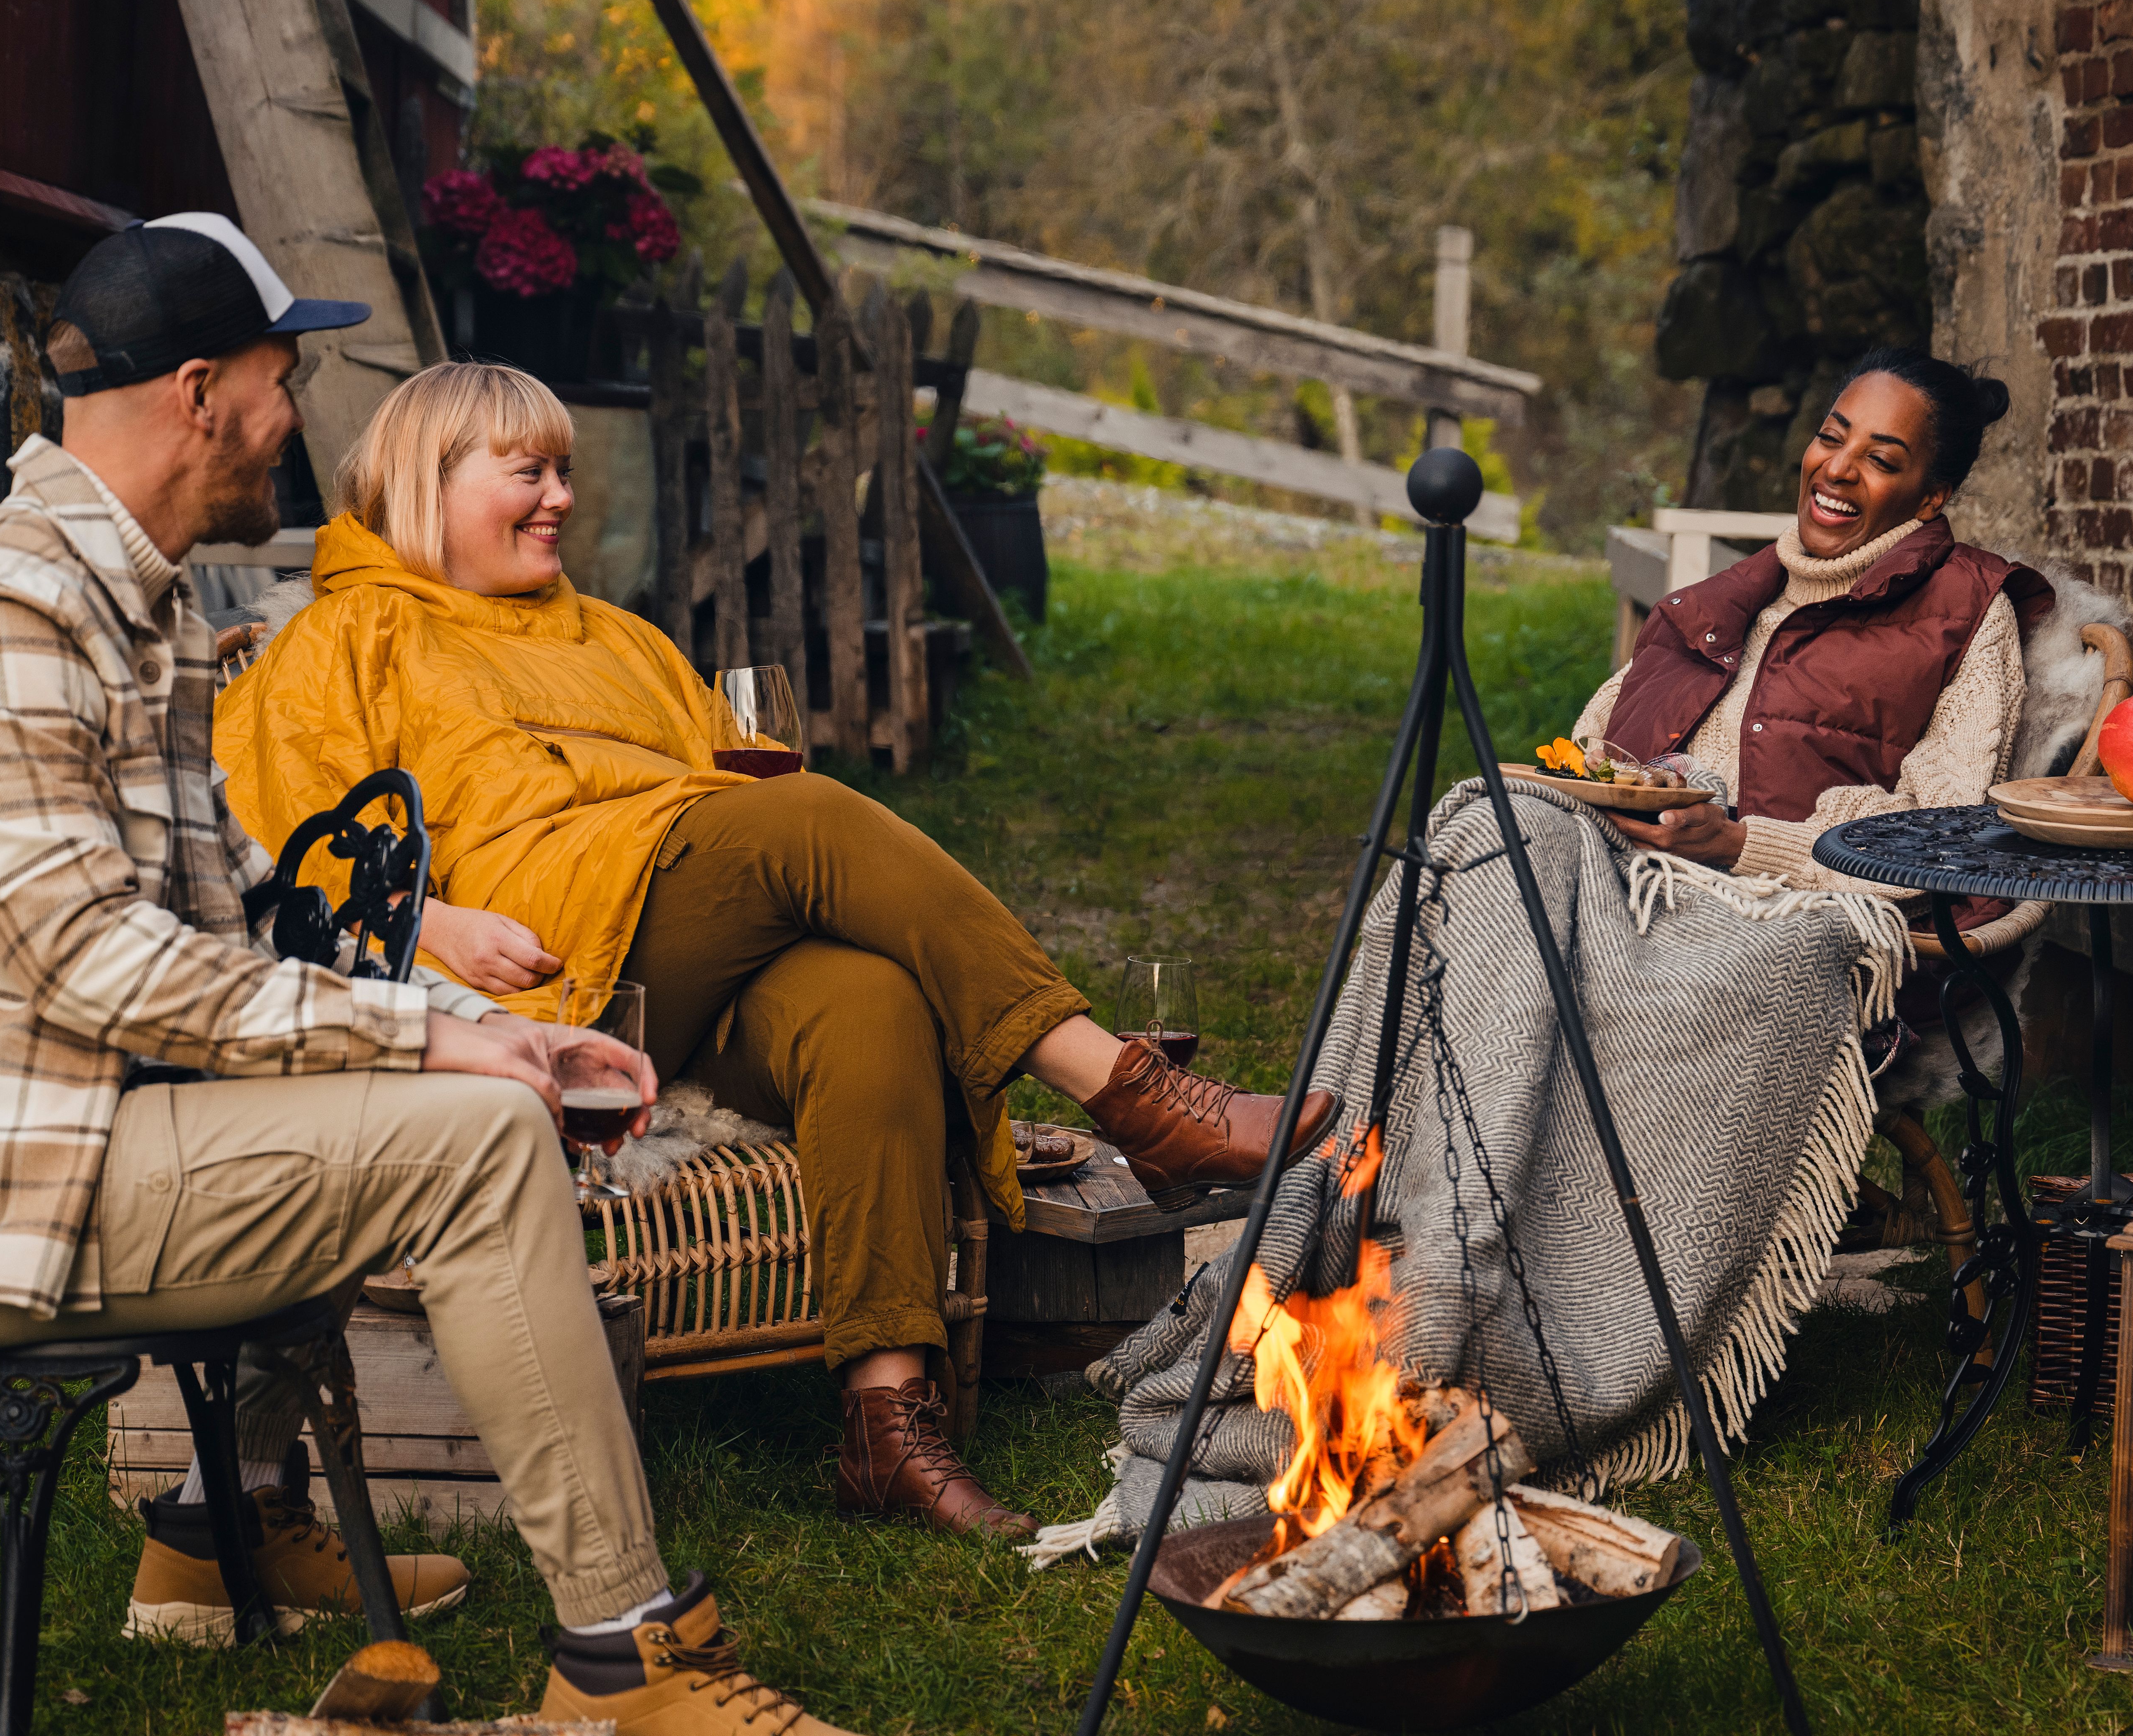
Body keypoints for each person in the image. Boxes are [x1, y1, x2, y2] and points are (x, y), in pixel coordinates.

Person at [0, 215, 910, 1736]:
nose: (299, 415)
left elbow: (258, 918)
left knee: (453, 1099)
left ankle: (198, 1542)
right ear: (197, 394)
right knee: (468, 1147)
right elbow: (94, 961)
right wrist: (445, 1049)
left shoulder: (135, 610)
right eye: (280, 377)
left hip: (81, 1142)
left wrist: (492, 1023)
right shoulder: (1, 612)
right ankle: (627, 1658)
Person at [214, 361, 1336, 1541]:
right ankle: (1130, 1093)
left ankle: (884, 1420)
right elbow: (272, 855)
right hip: (541, 970)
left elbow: (722, 789)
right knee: (802, 814)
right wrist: (430, 919)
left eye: (564, 472)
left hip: (682, 937)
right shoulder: (346, 636)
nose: (556, 497)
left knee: (870, 997)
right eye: (524, 472)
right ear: (424, 484)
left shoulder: (616, 636)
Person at [1576, 345, 2052, 891]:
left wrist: (1741, 846)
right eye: (1831, 437)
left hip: (1777, 917)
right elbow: (1589, 750)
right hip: (1620, 877)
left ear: (1931, 498)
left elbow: (1943, 838)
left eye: (1882, 461)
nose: (1838, 468)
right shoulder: (1715, 604)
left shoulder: (1968, 610)